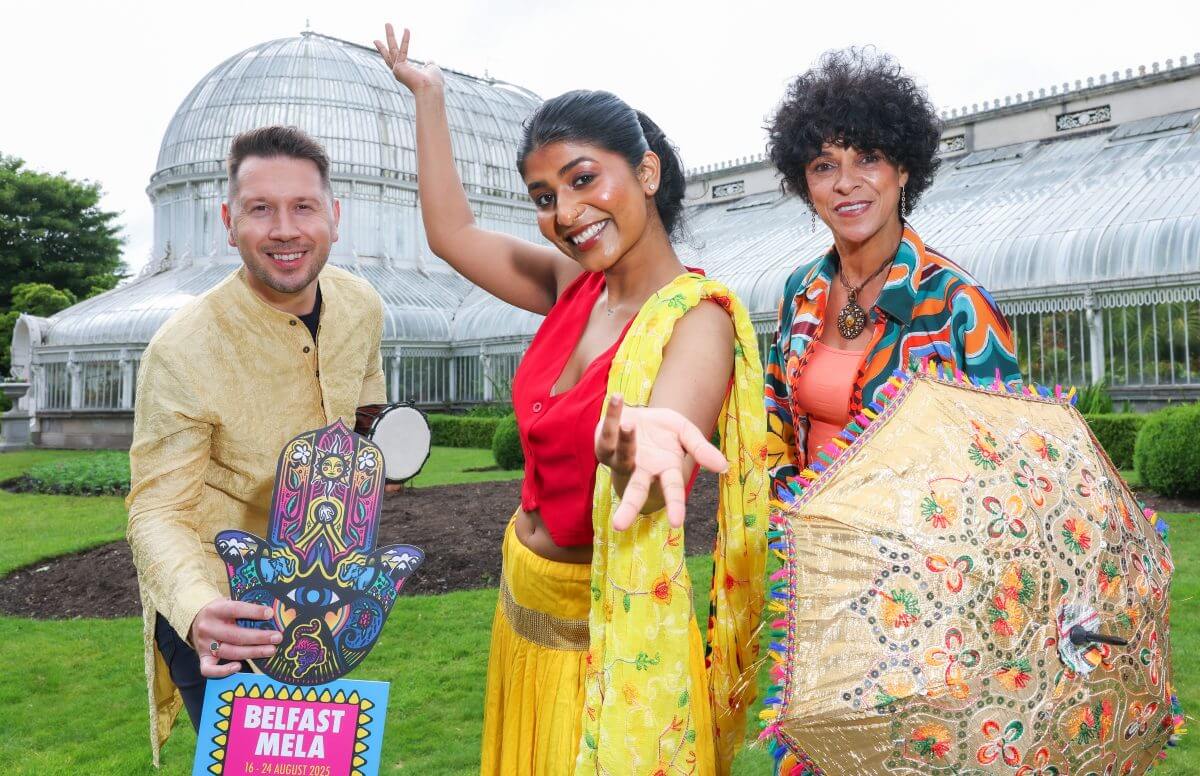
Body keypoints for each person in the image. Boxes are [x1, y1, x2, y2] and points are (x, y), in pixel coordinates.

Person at [375, 24, 766, 776]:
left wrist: (637, 459)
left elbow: (659, 463)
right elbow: (452, 234)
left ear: (646, 172)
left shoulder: (698, 320)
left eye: (584, 179)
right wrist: (429, 97)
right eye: (545, 197)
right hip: (521, 604)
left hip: (603, 641)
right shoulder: (572, 285)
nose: (566, 211)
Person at [762, 49, 1021, 775]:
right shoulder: (801, 293)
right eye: (824, 165)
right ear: (804, 183)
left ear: (904, 168)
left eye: (868, 158)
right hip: (819, 579)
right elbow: (777, 417)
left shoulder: (956, 304)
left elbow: (1009, 469)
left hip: (925, 591)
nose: (846, 183)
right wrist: (792, 515)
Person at [125, 125, 393, 764]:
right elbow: (156, 510)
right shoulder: (183, 349)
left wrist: (380, 455)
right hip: (224, 610)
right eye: (260, 209)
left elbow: (367, 412)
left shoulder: (361, 305)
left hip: (325, 601)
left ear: (334, 216)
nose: (284, 229)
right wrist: (198, 610)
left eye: (303, 206)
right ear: (229, 221)